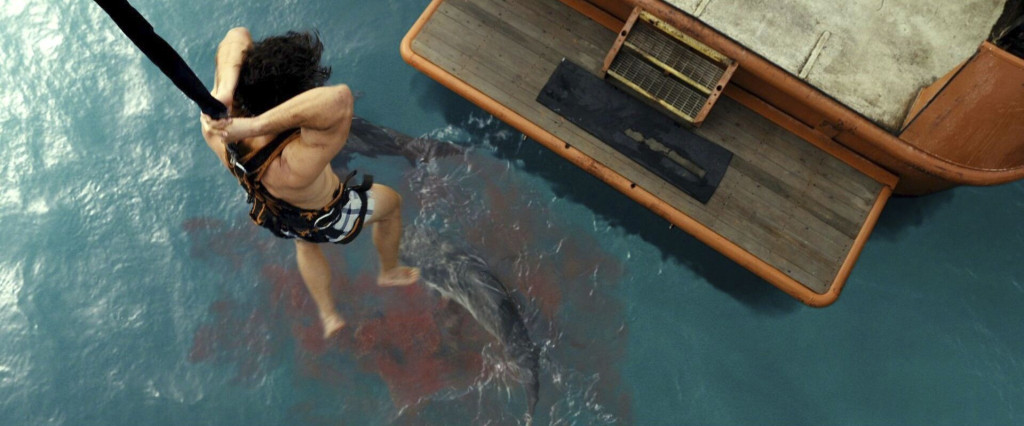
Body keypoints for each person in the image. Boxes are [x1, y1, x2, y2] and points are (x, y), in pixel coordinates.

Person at [199, 28, 420, 339]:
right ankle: (389, 271)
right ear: (298, 97)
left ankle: (329, 315)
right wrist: (256, 125)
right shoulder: (294, 160)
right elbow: (338, 100)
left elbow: (236, 35)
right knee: (391, 204)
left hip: (274, 214)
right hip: (329, 218)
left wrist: (224, 90)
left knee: (303, 243)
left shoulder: (215, 130)